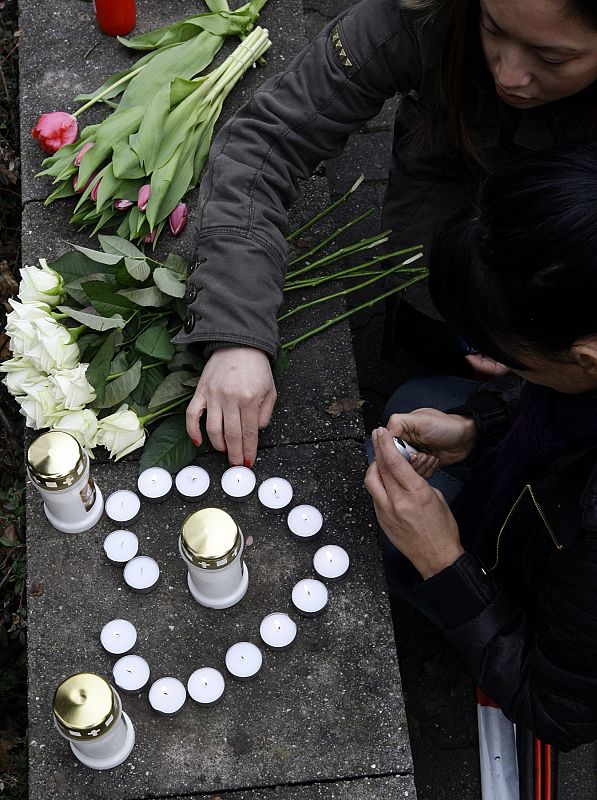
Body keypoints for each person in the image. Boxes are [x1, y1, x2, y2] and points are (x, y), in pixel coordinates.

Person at [174, 0, 597, 467]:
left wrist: (524, 372)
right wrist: (236, 330)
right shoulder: (420, 14)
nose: (510, 76)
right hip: (449, 162)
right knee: (424, 306)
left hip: (573, 242)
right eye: (491, 28)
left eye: (552, 59)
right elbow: (266, 143)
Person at [364, 142, 597, 750]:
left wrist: (442, 560)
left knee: (395, 538)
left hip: (554, 596)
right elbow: (551, 401)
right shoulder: (580, 358)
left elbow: (557, 710)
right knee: (411, 401)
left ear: (585, 359)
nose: (488, 358)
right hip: (541, 502)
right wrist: (480, 424)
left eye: (502, 352)